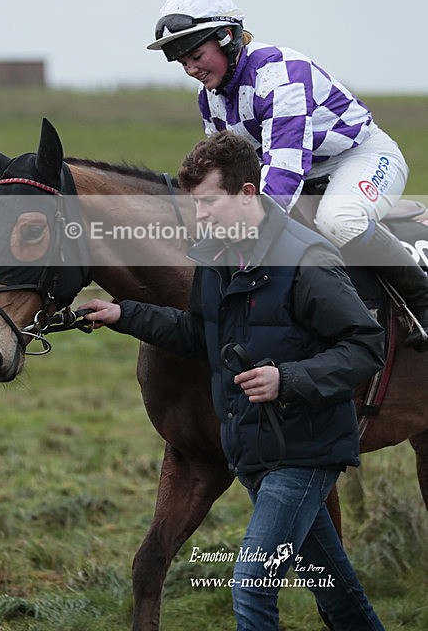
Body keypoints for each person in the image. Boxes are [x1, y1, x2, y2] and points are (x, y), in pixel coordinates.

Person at [80, 131, 386, 631]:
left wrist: (287, 379)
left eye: (208, 204)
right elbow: (201, 335)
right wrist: (125, 313)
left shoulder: (306, 260)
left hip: (304, 451)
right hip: (256, 449)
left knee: (250, 587)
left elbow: (364, 346)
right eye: (193, 205)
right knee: (339, 595)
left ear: (247, 195)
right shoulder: (219, 258)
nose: (198, 217)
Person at [146, 0, 428, 350]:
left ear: (227, 37)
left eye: (196, 56)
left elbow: (284, 171)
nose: (191, 69)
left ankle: (422, 299)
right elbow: (222, 171)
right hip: (306, 172)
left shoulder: (281, 75)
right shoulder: (210, 97)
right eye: (183, 62)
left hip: (361, 158)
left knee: (337, 220)